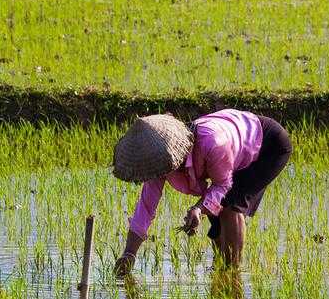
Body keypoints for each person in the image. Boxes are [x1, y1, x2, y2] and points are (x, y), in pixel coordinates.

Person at [112, 110, 292, 273]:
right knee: (215, 210)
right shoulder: (160, 162)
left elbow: (222, 185)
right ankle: (221, 267)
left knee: (231, 206)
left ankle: (232, 273)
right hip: (233, 151)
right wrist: (129, 254)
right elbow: (145, 208)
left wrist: (198, 208)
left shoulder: (212, 142)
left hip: (267, 144)